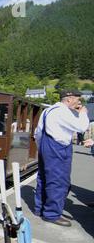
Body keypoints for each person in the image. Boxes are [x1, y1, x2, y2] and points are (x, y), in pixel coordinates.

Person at [34, 90, 90, 226]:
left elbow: (38, 132)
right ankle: (51, 214)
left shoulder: (48, 110)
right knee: (58, 181)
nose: (79, 103)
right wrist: (83, 113)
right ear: (69, 99)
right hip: (58, 148)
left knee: (43, 178)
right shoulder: (63, 111)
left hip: (45, 146)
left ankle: (39, 208)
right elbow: (82, 127)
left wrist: (41, 149)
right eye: (78, 100)